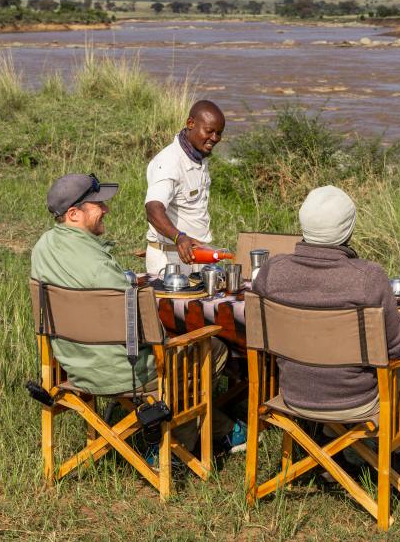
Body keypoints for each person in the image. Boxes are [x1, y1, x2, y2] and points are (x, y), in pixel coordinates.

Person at [31, 173, 243, 457]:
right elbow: (140, 324)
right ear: (73, 214)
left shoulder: (42, 248)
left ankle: (224, 429)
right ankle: (170, 450)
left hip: (72, 364)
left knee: (183, 357)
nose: (106, 209)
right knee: (211, 349)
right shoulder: (97, 266)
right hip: (122, 372)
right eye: (98, 205)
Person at [253, 186, 400, 420]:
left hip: (291, 396)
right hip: (358, 402)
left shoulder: (272, 269)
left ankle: (328, 443)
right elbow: (398, 348)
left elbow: (256, 326)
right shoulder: (368, 276)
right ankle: (388, 451)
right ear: (348, 230)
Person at [144, 100, 225, 276]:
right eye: (209, 131)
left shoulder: (198, 155)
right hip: (171, 260)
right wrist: (179, 237)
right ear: (190, 123)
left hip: (198, 256)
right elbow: (152, 209)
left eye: (219, 133)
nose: (215, 138)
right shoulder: (169, 163)